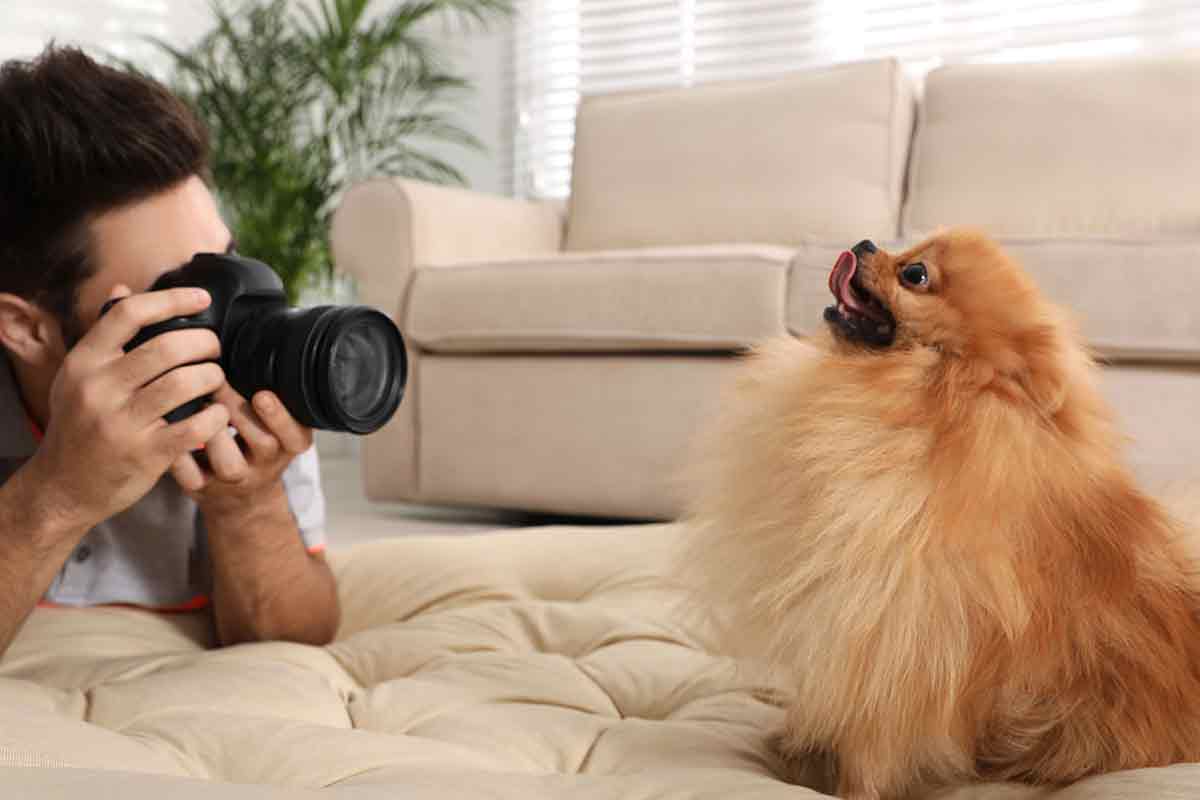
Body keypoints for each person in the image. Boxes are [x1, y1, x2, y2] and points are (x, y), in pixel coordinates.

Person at [0, 46, 340, 657]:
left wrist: (248, 504)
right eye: (182, 289)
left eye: (227, 261)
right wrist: (59, 494)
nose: (234, 307)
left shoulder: (248, 362)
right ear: (25, 328)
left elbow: (299, 638)